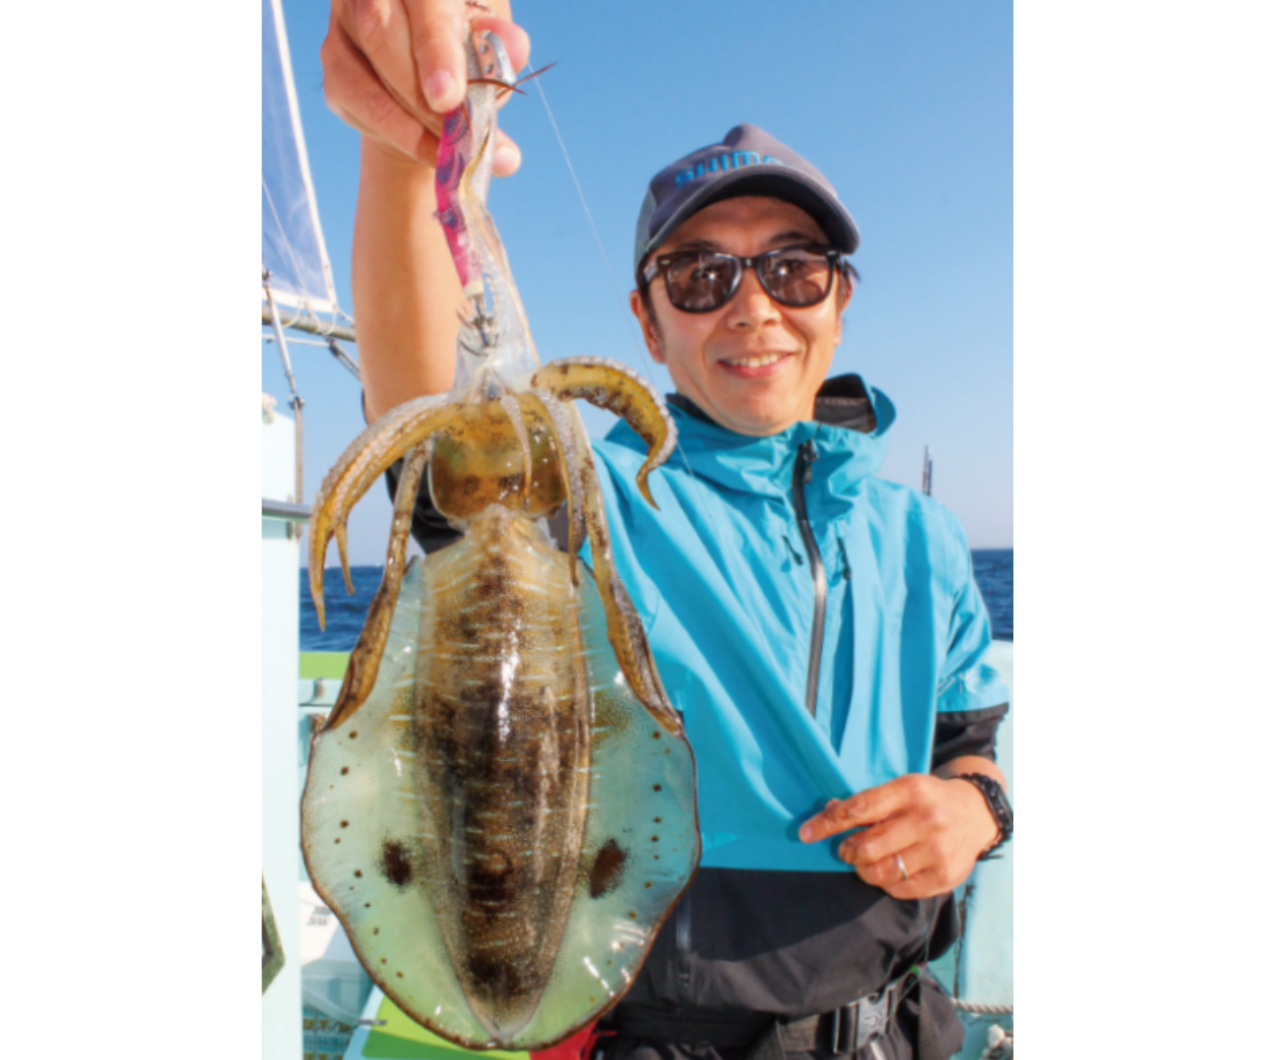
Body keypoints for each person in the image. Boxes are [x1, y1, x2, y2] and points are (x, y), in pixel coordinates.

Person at [320, 4, 1012, 1059]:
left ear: (839, 299)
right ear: (646, 319)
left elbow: (973, 756)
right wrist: (399, 146)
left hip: (892, 1032)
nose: (751, 308)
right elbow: (431, 423)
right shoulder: (590, 497)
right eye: (699, 275)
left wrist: (974, 814)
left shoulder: (922, 537)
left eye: (793, 268)